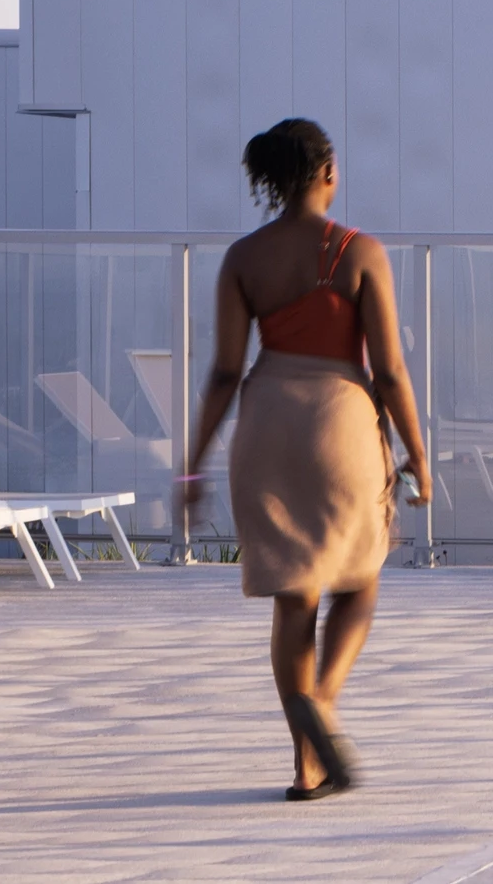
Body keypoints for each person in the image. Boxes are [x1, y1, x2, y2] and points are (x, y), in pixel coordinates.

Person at [180, 118, 428, 800]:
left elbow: (225, 372)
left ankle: (305, 764)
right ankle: (321, 697)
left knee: (295, 596)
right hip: (338, 421)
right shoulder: (359, 251)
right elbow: (392, 370)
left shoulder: (241, 258)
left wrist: (192, 466)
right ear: (327, 171)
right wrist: (416, 452)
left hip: (266, 426)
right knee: (360, 579)